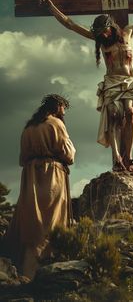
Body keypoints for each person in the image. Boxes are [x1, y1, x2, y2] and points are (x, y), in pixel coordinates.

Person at [40, 0, 133, 172]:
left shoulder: (129, 32)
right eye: (100, 33)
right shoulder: (100, 41)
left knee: (130, 113)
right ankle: (117, 157)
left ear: (112, 27)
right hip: (111, 83)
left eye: (105, 31)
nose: (103, 35)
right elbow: (70, 24)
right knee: (115, 116)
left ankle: (129, 157)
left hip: (131, 82)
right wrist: (51, 8)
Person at [5, 94, 76, 279]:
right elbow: (68, 154)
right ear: (58, 106)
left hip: (30, 176)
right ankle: (47, 271)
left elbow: (22, 158)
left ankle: (26, 269)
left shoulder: (29, 126)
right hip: (51, 174)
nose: (64, 112)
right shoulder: (56, 124)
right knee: (51, 221)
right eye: (63, 108)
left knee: (31, 220)